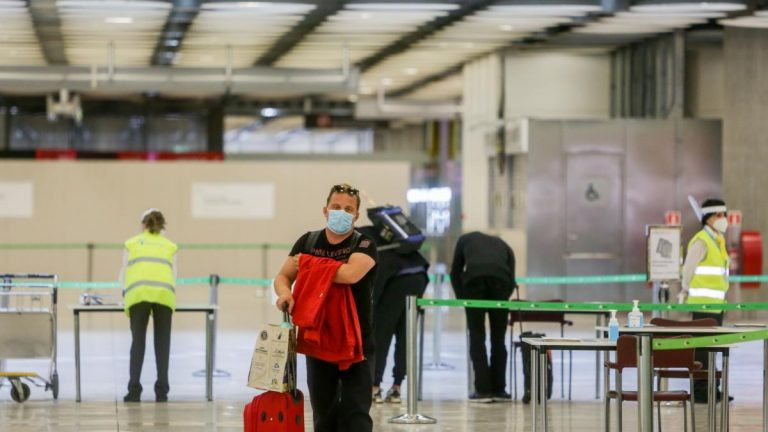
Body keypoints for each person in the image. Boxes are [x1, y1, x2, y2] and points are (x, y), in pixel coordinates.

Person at [274, 183, 377, 432]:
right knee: (324, 412)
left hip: (357, 342)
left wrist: (308, 264)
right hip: (316, 339)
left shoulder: (364, 244)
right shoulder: (308, 241)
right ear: (325, 210)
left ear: (356, 215)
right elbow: (282, 277)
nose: (342, 212)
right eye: (336, 207)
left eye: (348, 209)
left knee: (356, 414)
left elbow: (350, 274)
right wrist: (285, 294)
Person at [357, 225, 429, 404]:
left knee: (380, 335)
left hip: (397, 281)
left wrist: (371, 307)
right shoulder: (388, 235)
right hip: (419, 276)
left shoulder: (365, 241)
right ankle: (397, 387)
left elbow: (378, 281)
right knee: (406, 335)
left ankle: (375, 387)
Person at [450, 231, 516, 403]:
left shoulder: (464, 239)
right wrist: (505, 296)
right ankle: (499, 389)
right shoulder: (501, 242)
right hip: (500, 282)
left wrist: (463, 300)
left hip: (474, 282)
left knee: (477, 336)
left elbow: (455, 271)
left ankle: (483, 390)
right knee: (498, 338)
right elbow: (512, 273)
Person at [120, 208, 178, 403]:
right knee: (163, 344)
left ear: (143, 224)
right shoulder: (170, 246)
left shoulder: (132, 243)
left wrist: (124, 293)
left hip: (138, 294)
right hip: (164, 295)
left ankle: (134, 390)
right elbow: (174, 275)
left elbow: (124, 273)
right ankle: (162, 391)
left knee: (138, 342)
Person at [679, 198, 732, 403]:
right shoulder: (702, 240)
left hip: (716, 305)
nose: (723, 219)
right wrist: (685, 290)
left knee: (712, 348)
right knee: (701, 350)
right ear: (708, 218)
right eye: (718, 215)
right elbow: (688, 269)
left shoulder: (718, 240)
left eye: (724, 215)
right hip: (702, 304)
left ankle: (713, 390)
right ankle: (701, 392)